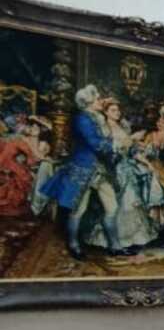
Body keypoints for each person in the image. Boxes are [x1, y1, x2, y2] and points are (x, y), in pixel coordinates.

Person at [81, 98, 164, 253]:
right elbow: (108, 151)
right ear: (105, 112)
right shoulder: (104, 129)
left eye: (118, 110)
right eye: (113, 110)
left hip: (128, 168)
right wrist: (130, 139)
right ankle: (116, 241)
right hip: (113, 169)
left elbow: (132, 150)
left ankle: (132, 240)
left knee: (133, 201)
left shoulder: (122, 127)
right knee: (119, 204)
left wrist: (147, 163)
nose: (117, 113)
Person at [37, 85, 122, 258]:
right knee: (78, 210)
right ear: (89, 102)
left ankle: (115, 246)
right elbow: (95, 143)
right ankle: (74, 245)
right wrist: (116, 145)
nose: (100, 101)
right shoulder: (82, 119)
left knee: (112, 207)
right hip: (82, 170)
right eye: (97, 98)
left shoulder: (98, 117)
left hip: (101, 171)